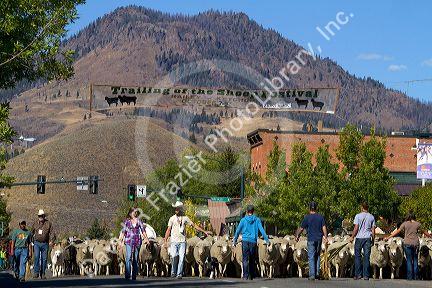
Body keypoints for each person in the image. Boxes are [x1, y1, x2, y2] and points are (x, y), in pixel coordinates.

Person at [164, 201, 211, 279]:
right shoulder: (172, 218)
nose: (176, 210)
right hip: (174, 241)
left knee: (182, 257)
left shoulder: (185, 218)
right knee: (174, 256)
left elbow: (194, 225)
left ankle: (179, 274)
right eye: (175, 209)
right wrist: (165, 240)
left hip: (182, 241)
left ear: (180, 209)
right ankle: (173, 272)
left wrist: (204, 231)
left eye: (177, 208)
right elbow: (168, 229)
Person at [384, 212, 432, 280]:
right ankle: (415, 277)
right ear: (414, 217)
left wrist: (388, 237)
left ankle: (409, 277)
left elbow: (397, 231)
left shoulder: (405, 224)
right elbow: (424, 232)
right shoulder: (417, 224)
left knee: (409, 260)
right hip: (415, 244)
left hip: (407, 244)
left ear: (407, 217)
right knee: (415, 260)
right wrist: (430, 236)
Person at [233, 204, 269, 280]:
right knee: (252, 258)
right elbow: (262, 230)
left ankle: (245, 275)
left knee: (245, 259)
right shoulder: (257, 220)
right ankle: (251, 275)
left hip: (245, 241)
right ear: (253, 211)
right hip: (253, 241)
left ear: (247, 211)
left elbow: (238, 230)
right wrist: (267, 240)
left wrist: (235, 240)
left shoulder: (243, 220)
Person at [295, 201, 327, 281]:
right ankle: (316, 273)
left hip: (311, 239)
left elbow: (301, 228)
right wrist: (325, 237)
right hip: (319, 239)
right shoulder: (320, 217)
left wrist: (297, 236)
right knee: (317, 255)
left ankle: (312, 275)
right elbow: (324, 227)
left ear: (309, 208)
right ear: (316, 208)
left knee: (311, 256)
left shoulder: (307, 217)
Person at [119, 207, 149, 280]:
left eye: (136, 212)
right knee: (128, 257)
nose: (135, 213)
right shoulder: (127, 222)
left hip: (137, 241)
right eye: (134, 212)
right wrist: (121, 241)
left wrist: (146, 239)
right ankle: (127, 274)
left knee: (135, 258)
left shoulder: (139, 221)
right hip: (128, 241)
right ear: (130, 213)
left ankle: (134, 275)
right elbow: (123, 232)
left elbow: (143, 230)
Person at [349, 202, 375, 280]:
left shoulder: (358, 216)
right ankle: (366, 275)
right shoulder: (371, 217)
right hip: (367, 238)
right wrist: (373, 239)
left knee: (357, 256)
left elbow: (356, 228)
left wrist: (352, 236)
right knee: (366, 257)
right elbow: (373, 230)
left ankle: (358, 274)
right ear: (368, 207)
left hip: (359, 238)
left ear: (361, 207)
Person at [31, 209, 55, 279]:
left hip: (45, 244)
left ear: (44, 216)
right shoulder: (35, 223)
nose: (40, 217)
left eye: (42, 215)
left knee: (44, 259)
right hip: (36, 243)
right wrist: (31, 241)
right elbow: (31, 232)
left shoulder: (48, 223)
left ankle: (43, 273)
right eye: (39, 216)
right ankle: (36, 273)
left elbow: (52, 233)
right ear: (38, 216)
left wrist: (52, 240)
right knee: (36, 257)